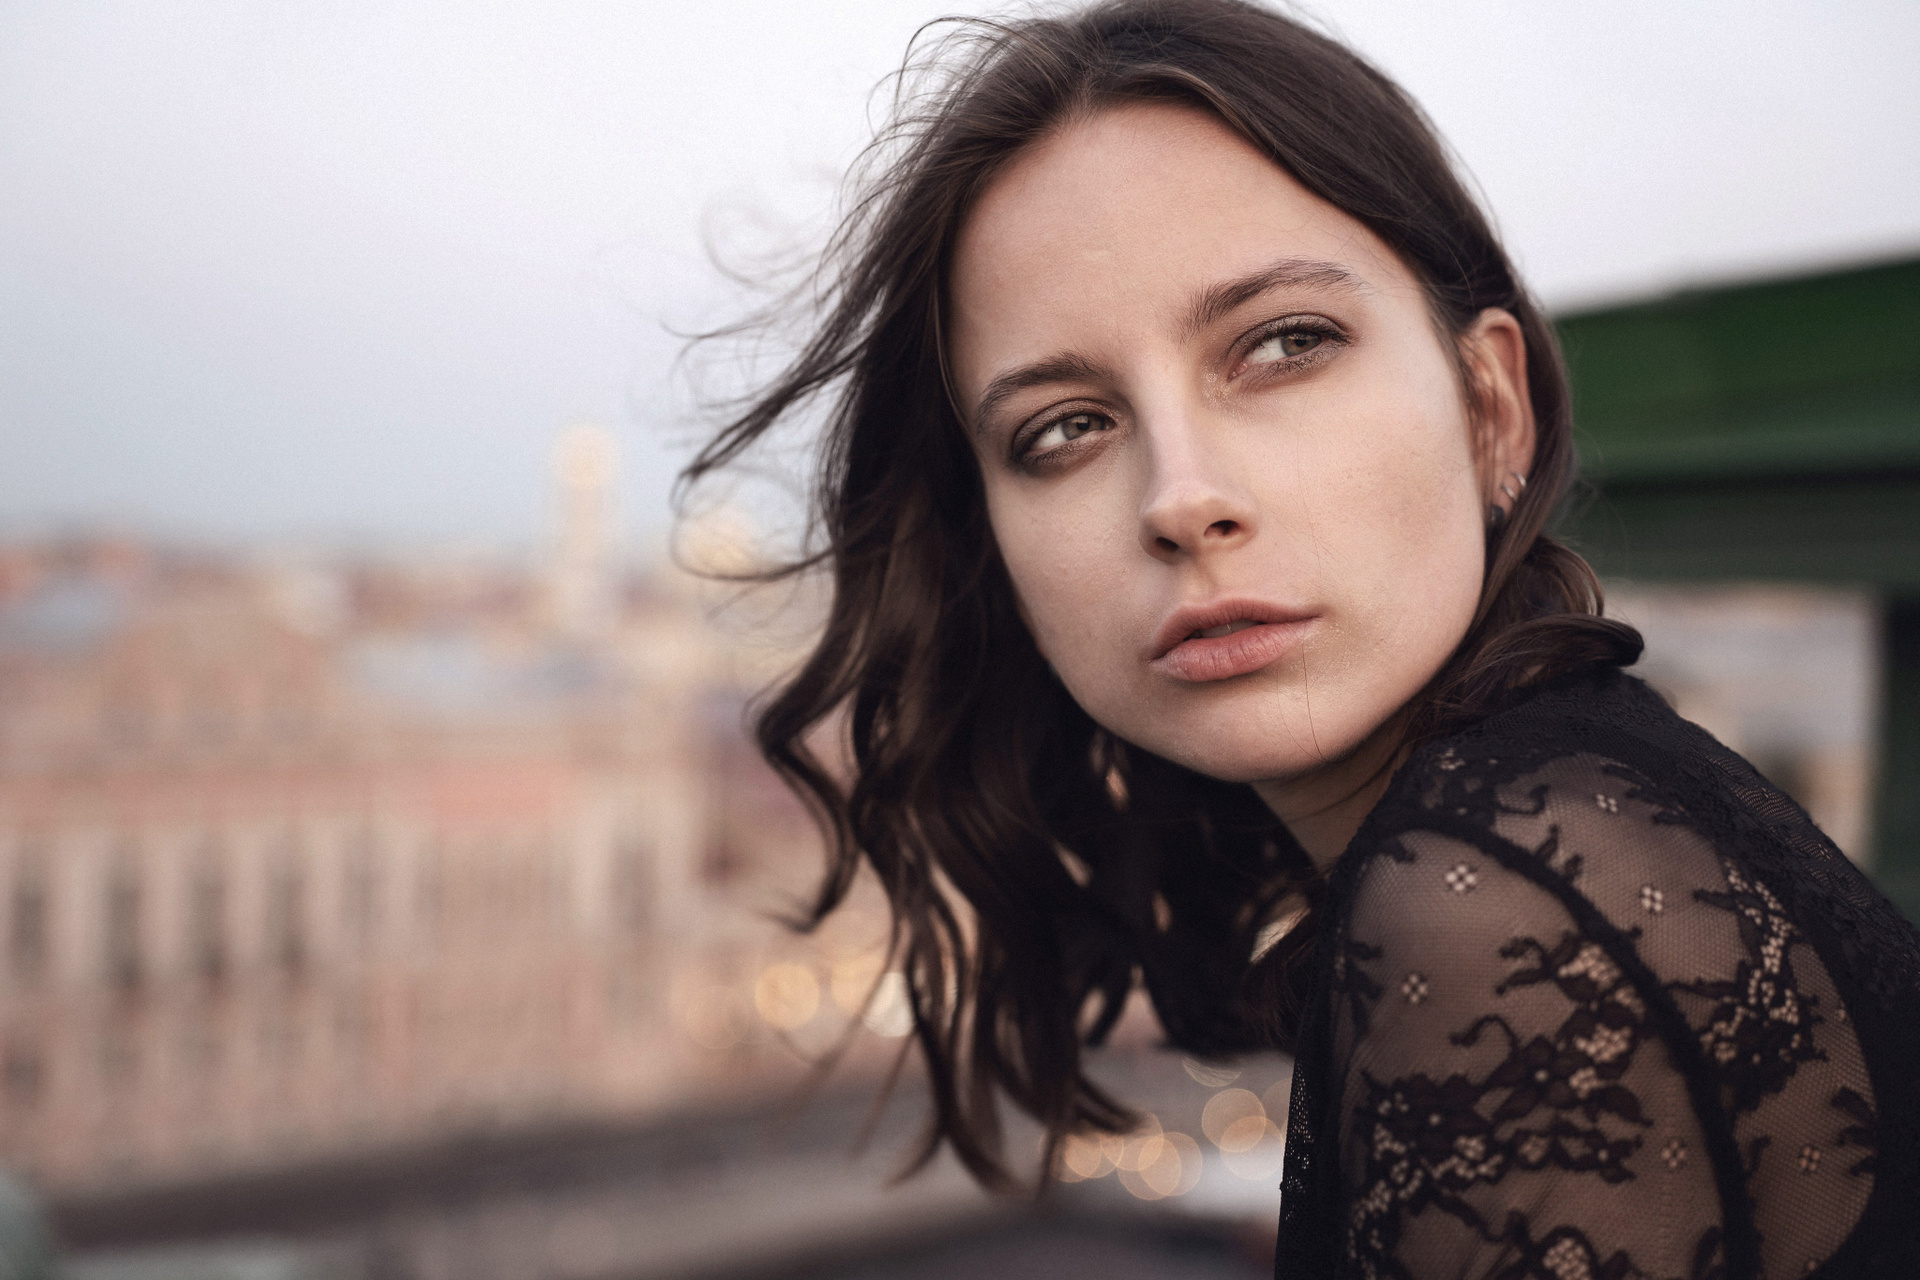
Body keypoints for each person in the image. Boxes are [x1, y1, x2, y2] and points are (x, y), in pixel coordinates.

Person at [680, 1, 1920, 1274]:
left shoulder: (1497, 908)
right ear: (992, 544)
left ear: (1489, 408)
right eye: (1065, 427)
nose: (1181, 498)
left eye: (1284, 345)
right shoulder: (1599, 804)